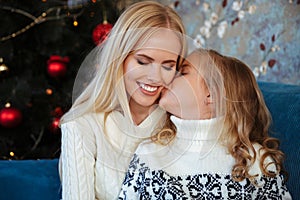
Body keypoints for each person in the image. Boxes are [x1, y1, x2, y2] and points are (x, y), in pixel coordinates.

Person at [119, 49, 292, 199]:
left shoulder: (257, 160)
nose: (168, 75)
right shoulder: (149, 153)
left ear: (211, 95)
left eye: (183, 72)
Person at [59, 1, 187, 199]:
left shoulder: (183, 124)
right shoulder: (81, 125)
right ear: (119, 58)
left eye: (168, 66)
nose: (155, 77)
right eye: (143, 61)